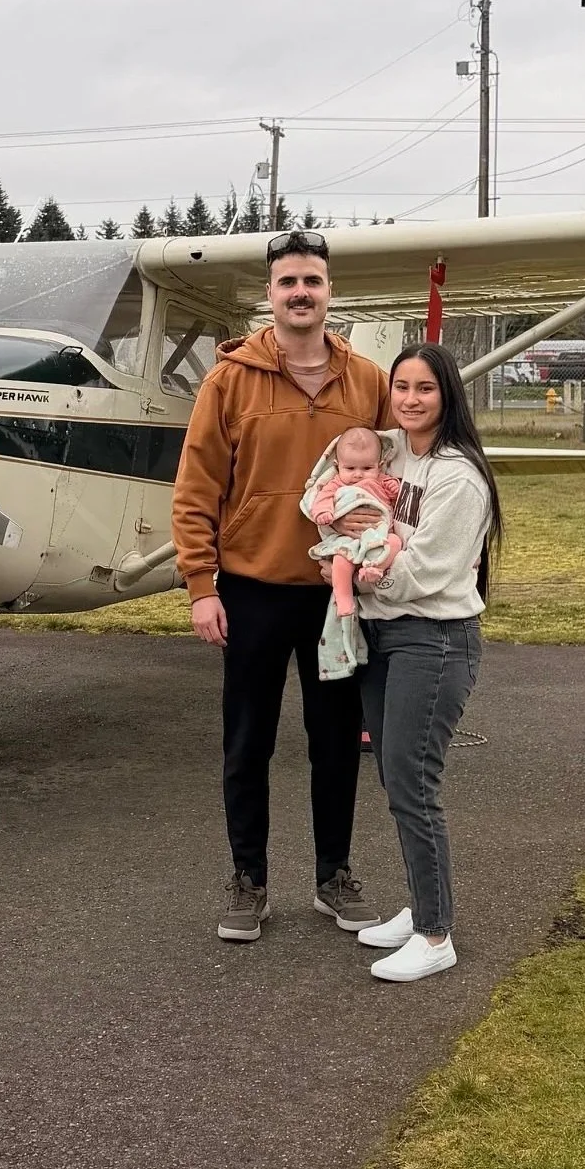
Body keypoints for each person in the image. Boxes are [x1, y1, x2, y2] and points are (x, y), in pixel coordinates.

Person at [172, 231, 391, 943]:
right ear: (270, 294)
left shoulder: (367, 380)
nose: (301, 293)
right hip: (254, 590)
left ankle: (334, 876)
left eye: (313, 282)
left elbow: (397, 479)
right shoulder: (229, 380)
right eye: (288, 282)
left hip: (338, 596)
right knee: (248, 743)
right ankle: (248, 881)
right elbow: (197, 487)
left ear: (330, 292)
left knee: (334, 742)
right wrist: (202, 585)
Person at [353, 341, 501, 983]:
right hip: (383, 636)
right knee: (393, 776)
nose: (410, 400)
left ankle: (436, 935)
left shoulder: (457, 475)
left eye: (426, 389)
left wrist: (354, 579)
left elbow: (427, 569)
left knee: (414, 785)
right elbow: (333, 478)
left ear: (449, 396)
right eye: (402, 387)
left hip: (434, 639)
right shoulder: (390, 451)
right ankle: (421, 910)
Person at [298, 426, 403, 682]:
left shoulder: (382, 480)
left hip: (375, 537)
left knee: (395, 542)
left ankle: (374, 566)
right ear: (337, 465)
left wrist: (395, 489)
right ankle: (344, 601)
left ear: (379, 464)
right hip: (347, 540)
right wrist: (326, 516)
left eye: (366, 469)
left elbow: (398, 494)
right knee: (341, 562)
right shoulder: (334, 482)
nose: (358, 475)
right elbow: (321, 499)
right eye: (351, 469)